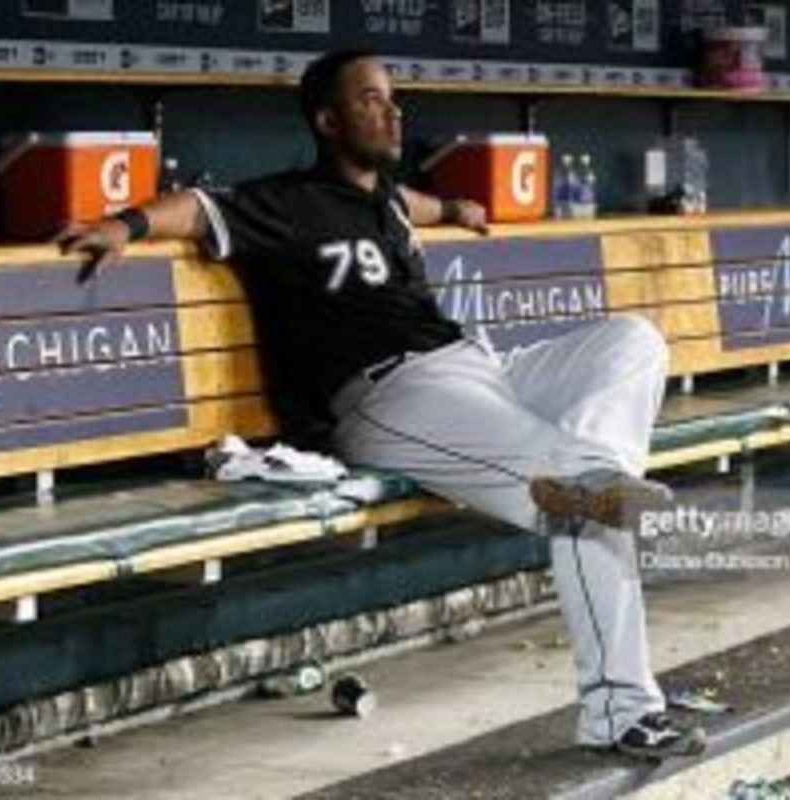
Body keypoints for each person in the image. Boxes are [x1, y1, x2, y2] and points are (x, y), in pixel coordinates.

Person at [56, 48, 705, 760]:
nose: (392, 110)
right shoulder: (287, 202)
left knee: (633, 343)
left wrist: (454, 207)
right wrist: (125, 225)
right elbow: (199, 209)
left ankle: (586, 494)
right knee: (590, 498)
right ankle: (617, 699)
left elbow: (414, 204)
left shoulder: (389, 201)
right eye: (370, 99)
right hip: (392, 396)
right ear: (328, 120)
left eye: (393, 97)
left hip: (479, 367)